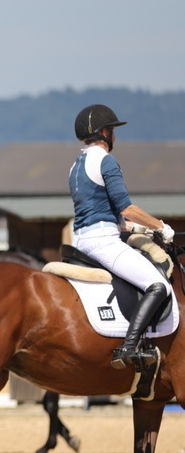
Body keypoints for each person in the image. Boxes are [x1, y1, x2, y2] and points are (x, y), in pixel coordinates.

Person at [69, 104, 175, 370]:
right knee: (157, 285)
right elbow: (126, 208)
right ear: (104, 132)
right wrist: (160, 226)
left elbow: (100, 211)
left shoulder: (76, 165)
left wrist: (137, 229)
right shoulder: (105, 160)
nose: (115, 136)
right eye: (113, 130)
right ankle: (128, 347)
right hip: (103, 242)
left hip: (81, 240)